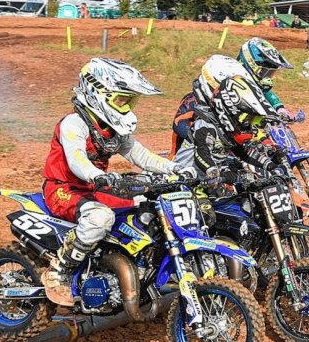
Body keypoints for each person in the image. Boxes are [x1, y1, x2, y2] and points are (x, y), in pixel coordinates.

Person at [41, 59, 188, 305]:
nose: (128, 106)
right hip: (63, 188)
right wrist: (97, 175)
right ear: (99, 92)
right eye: (122, 99)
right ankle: (61, 269)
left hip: (96, 187)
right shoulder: (74, 124)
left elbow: (140, 155)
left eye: (130, 100)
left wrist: (175, 168)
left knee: (147, 204)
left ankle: (132, 267)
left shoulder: (111, 128)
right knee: (101, 218)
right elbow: (77, 160)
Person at [174, 75, 279, 177]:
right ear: (230, 111)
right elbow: (201, 153)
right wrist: (214, 172)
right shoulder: (207, 126)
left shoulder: (228, 131)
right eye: (247, 119)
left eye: (253, 120)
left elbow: (244, 152)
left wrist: (270, 165)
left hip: (208, 180)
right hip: (185, 179)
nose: (249, 125)